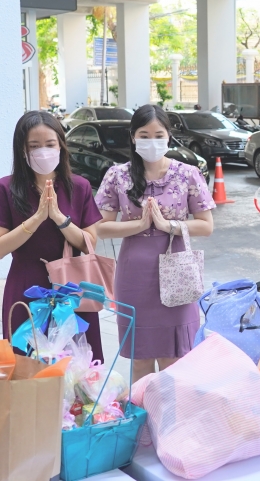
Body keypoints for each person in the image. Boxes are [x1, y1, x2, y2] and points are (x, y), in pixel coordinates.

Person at [95, 104, 215, 381]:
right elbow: (101, 227)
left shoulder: (187, 173)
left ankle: (173, 420)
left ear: (168, 136)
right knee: (140, 360)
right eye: (144, 135)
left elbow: (206, 225)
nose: (151, 141)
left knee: (176, 359)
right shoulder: (117, 175)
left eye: (158, 134)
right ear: (133, 137)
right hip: (134, 273)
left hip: (177, 270)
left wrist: (167, 226)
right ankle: (143, 421)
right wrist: (138, 225)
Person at [0, 112, 104, 360]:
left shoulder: (79, 186)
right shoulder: (5, 188)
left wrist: (59, 218)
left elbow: (88, 241)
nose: (43, 151)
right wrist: (37, 218)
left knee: (79, 368)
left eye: (50, 144)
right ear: (22, 150)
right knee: (27, 365)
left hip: (72, 289)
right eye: (34, 146)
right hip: (26, 287)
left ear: (61, 145)